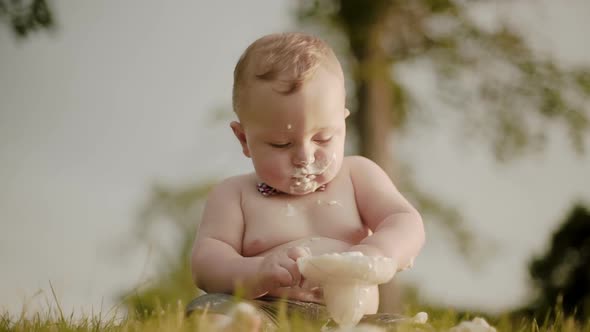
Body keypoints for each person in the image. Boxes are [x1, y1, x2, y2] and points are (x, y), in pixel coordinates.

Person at [187, 32, 425, 330]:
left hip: (351, 319)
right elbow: (207, 263)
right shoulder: (235, 195)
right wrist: (258, 271)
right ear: (244, 139)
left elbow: (404, 220)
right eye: (281, 144)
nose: (304, 156)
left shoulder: (357, 176)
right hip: (265, 311)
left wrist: (377, 252)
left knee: (406, 326)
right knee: (210, 311)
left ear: (343, 125)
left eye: (323, 138)